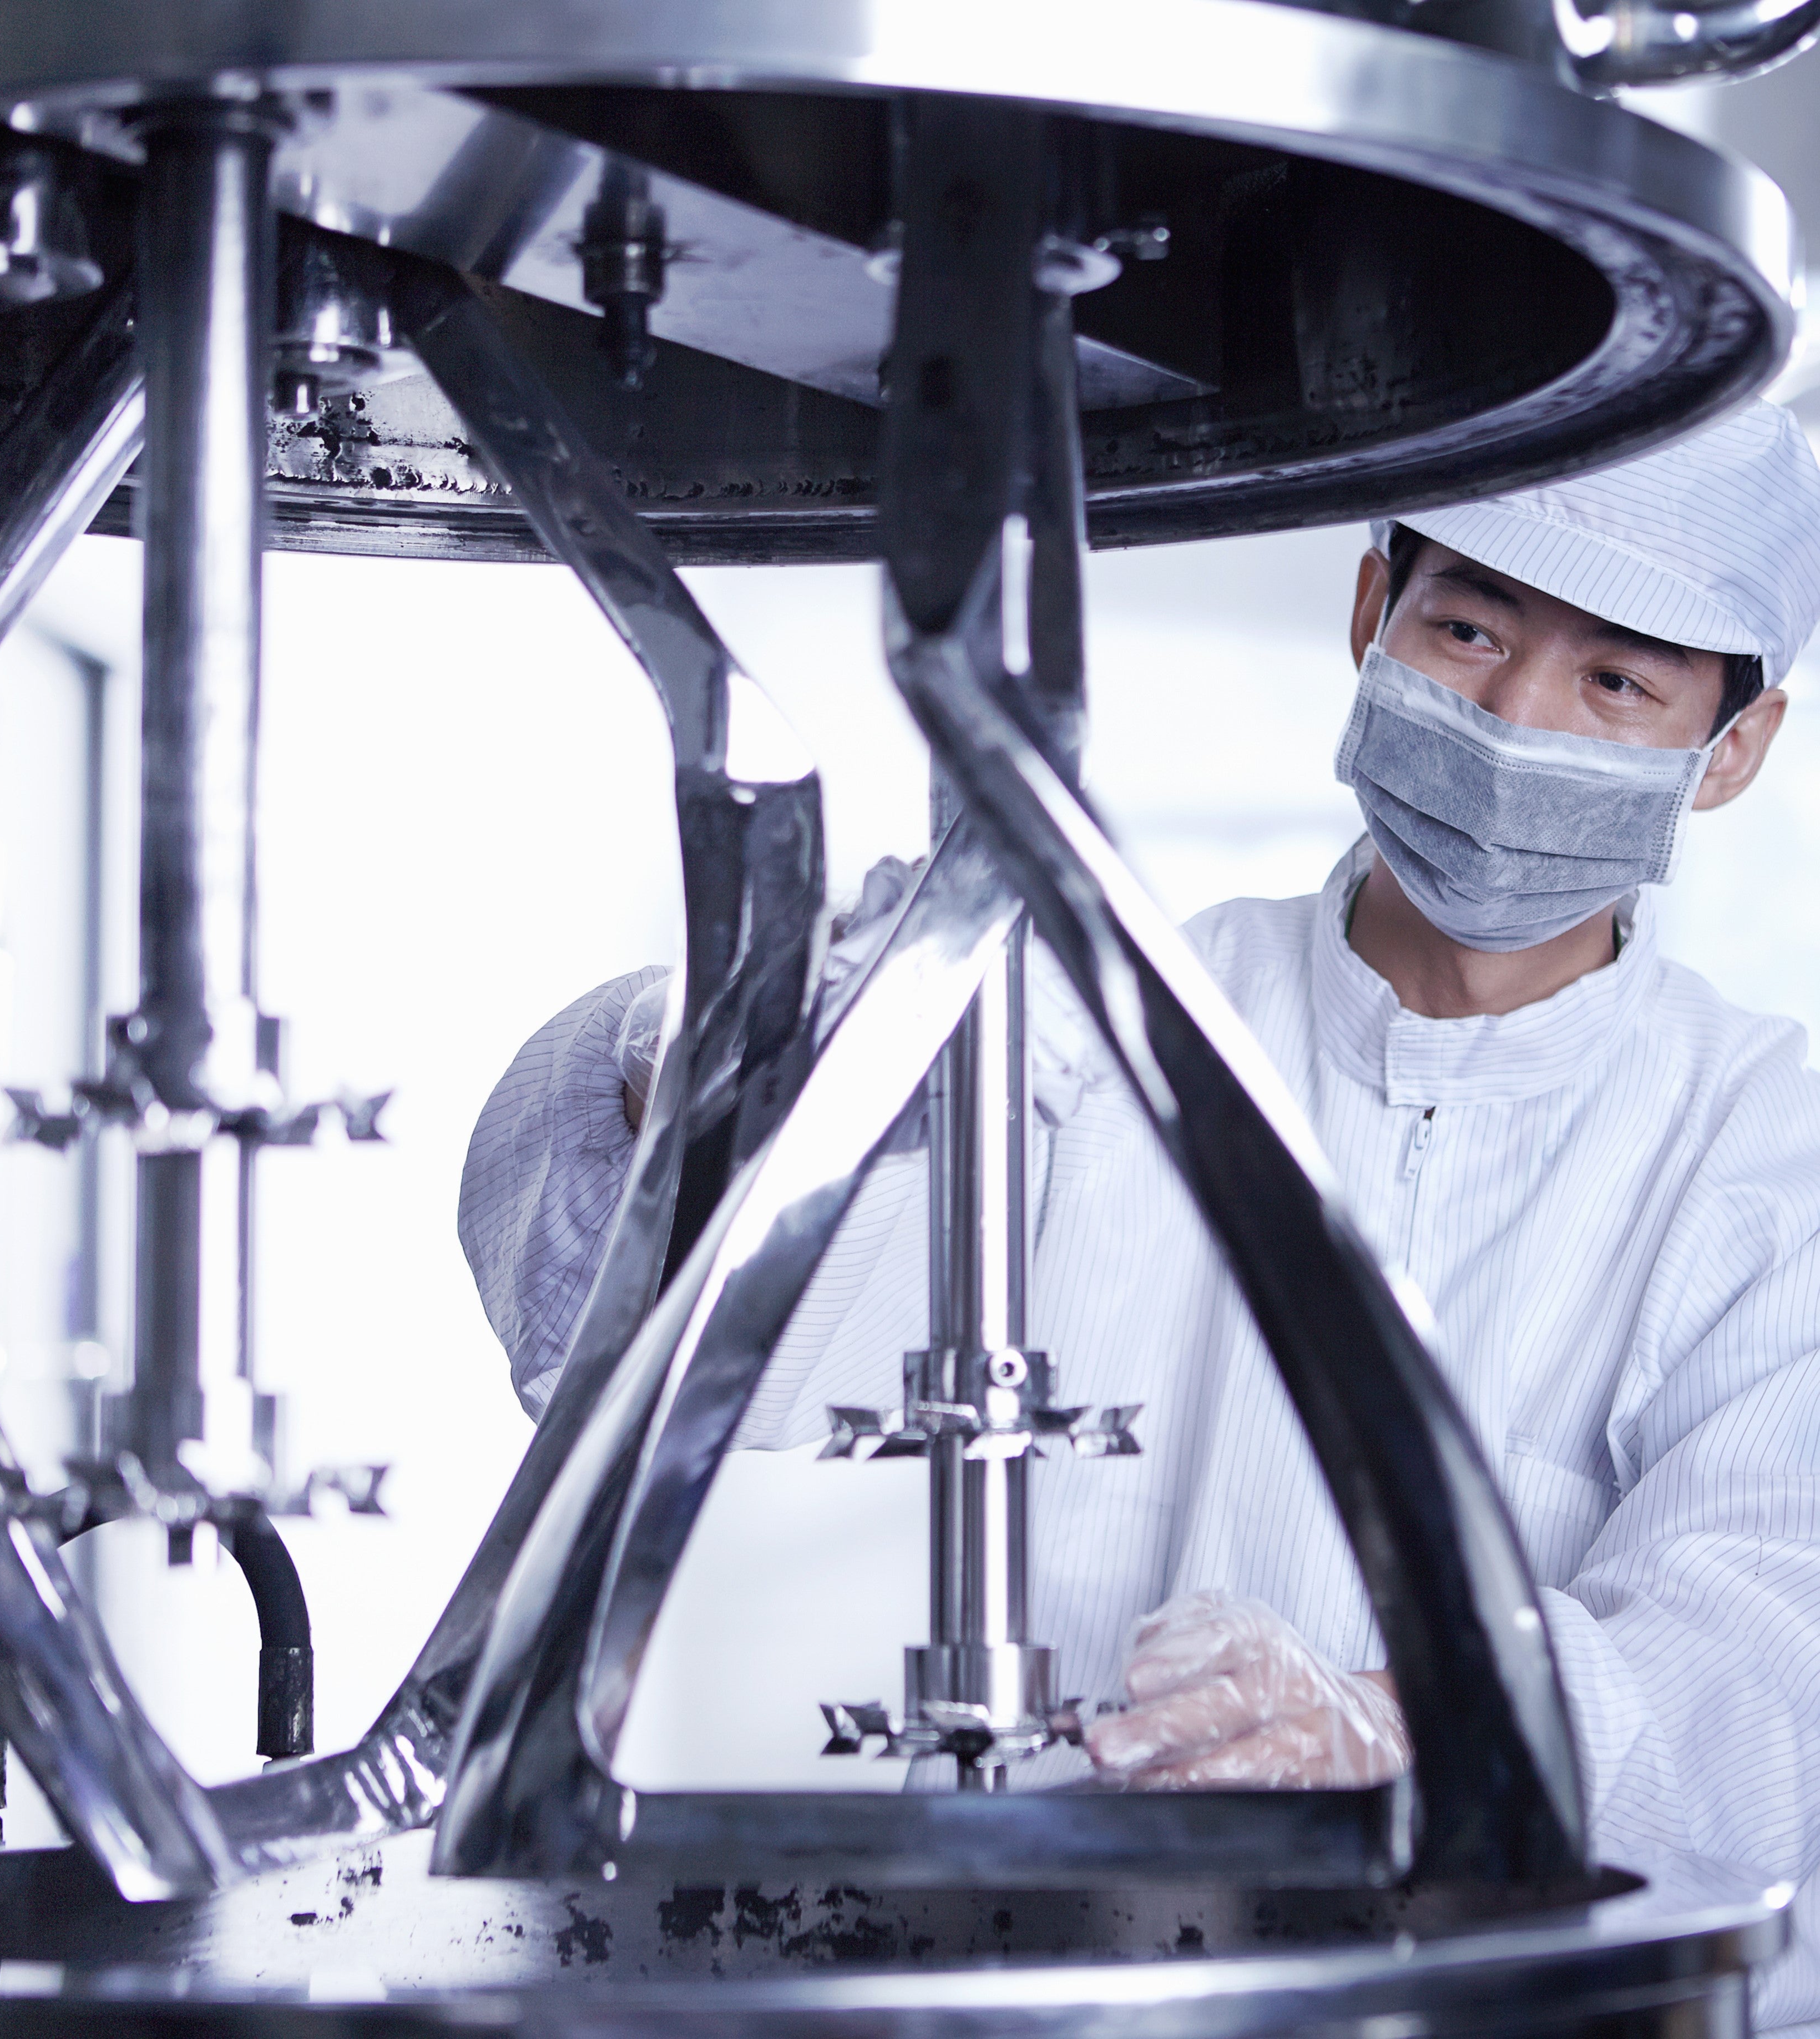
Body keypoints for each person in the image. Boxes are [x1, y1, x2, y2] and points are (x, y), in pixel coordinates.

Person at [459, 400, 1820, 2025]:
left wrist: (1420, 1723)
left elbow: (1765, 1655)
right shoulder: (1101, 1022)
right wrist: (712, 1054)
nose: (1516, 714)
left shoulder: (1767, 1154)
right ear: (1368, 611)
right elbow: (620, 1354)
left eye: (1615, 681)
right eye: (1469, 626)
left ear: (1728, 748)